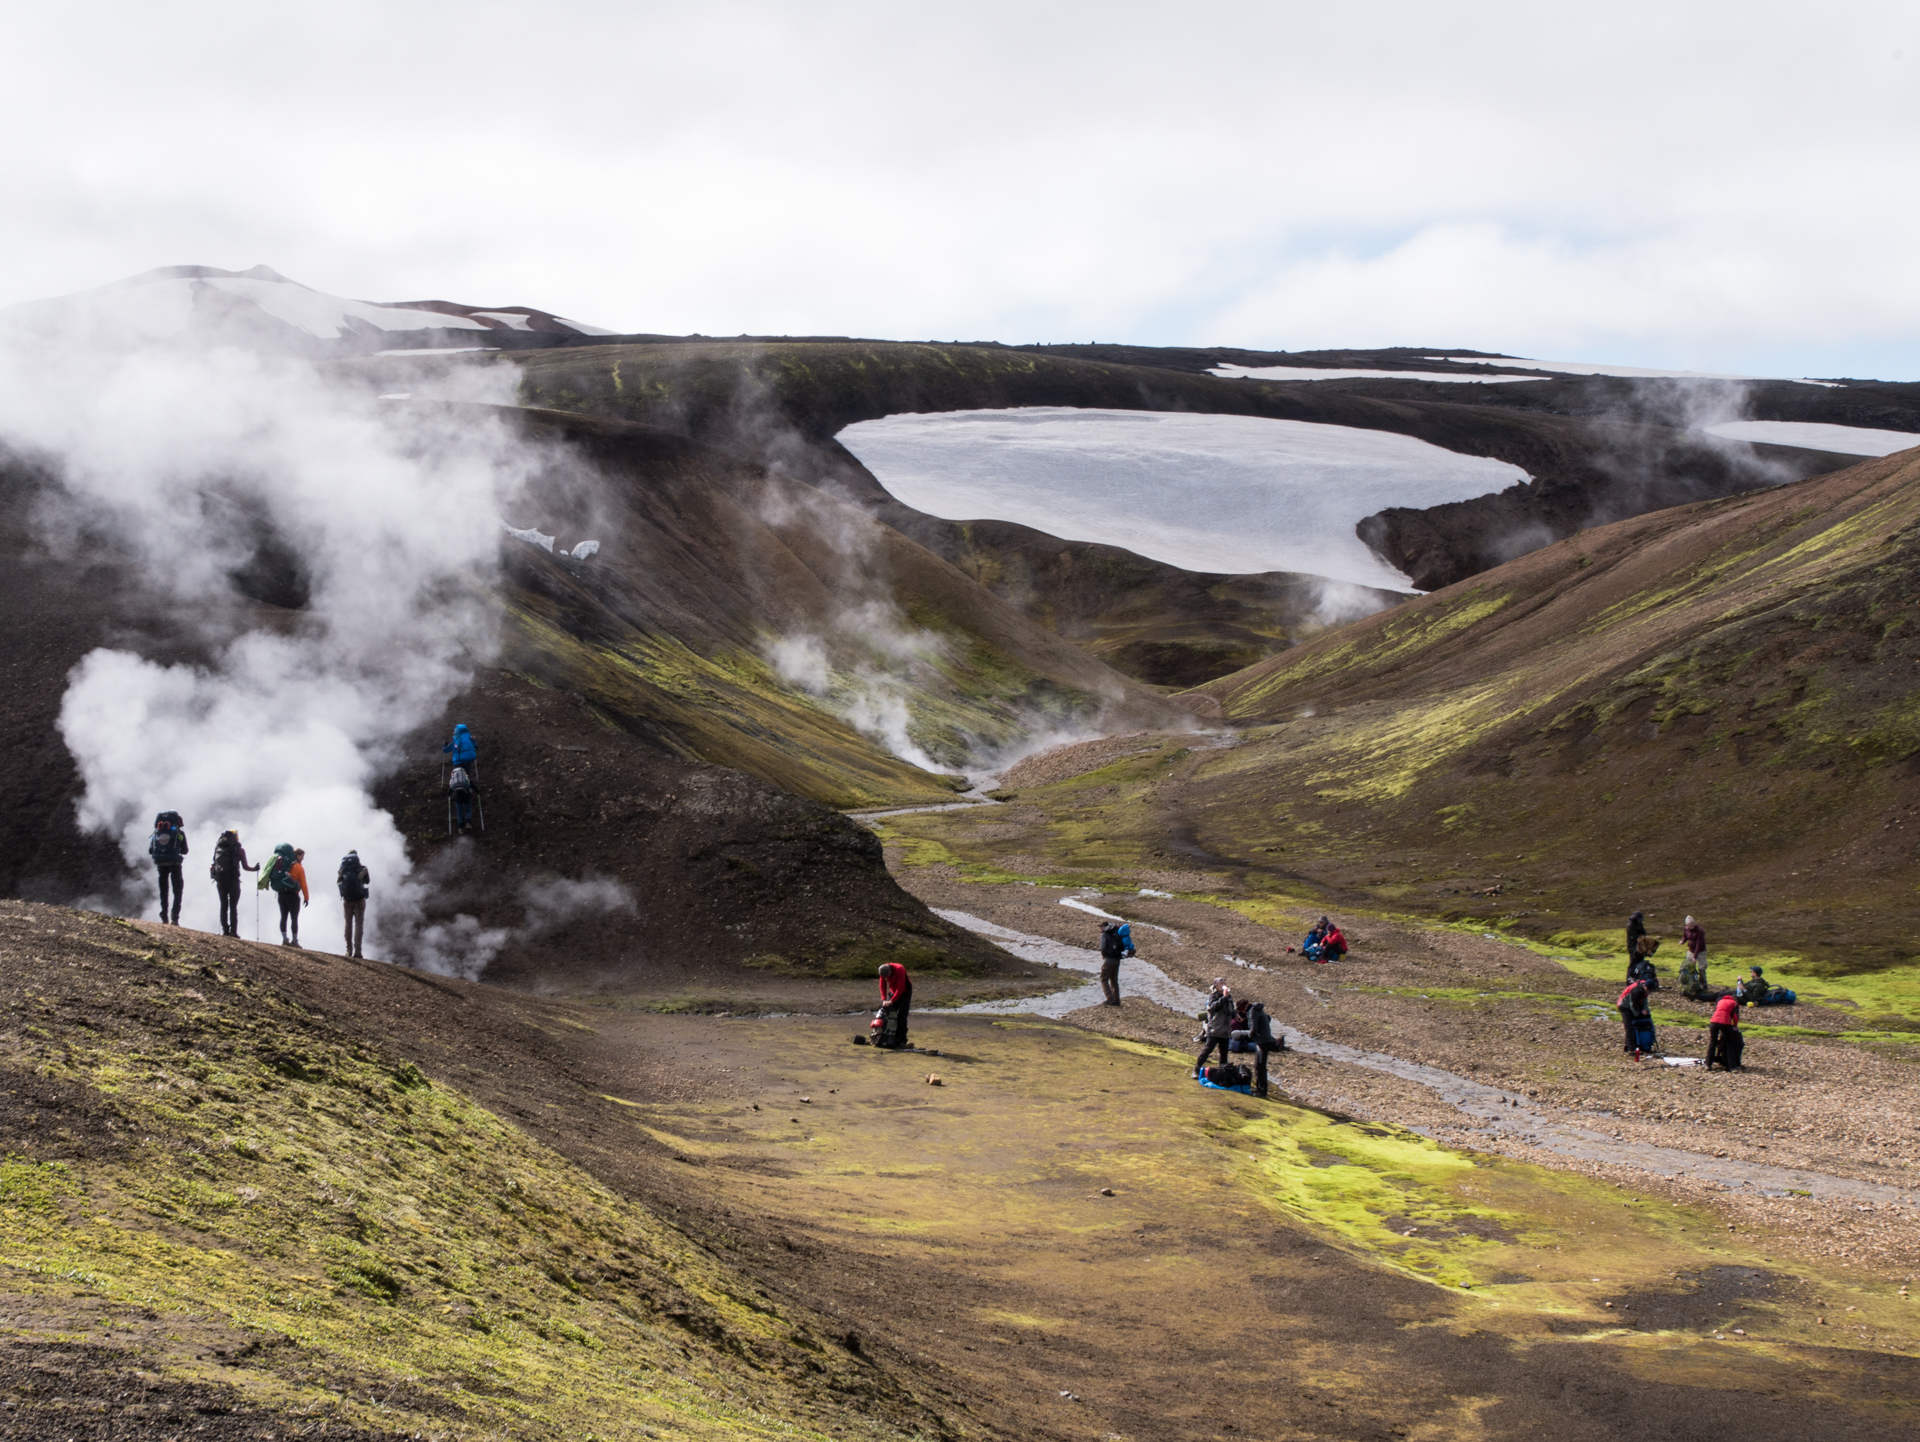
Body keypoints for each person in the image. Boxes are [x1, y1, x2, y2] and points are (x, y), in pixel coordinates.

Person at [208, 828, 259, 937]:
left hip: (220, 880)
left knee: (223, 905)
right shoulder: (240, 850)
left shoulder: (218, 847)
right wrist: (255, 868)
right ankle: (233, 932)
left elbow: (214, 862)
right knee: (233, 907)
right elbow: (245, 867)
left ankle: (225, 930)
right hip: (233, 880)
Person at [264, 843, 308, 947]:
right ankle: (294, 941)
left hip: (281, 894)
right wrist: (306, 897)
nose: (302, 859)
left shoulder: (287, 865)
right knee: (294, 918)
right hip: (293, 895)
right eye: (302, 856)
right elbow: (303, 883)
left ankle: (284, 940)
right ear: (297, 855)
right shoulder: (298, 868)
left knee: (283, 917)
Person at [148, 811, 188, 925]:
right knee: (177, 891)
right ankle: (174, 918)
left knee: (164, 891)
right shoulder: (179, 834)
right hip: (175, 864)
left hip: (161, 864)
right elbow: (185, 850)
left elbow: (151, 850)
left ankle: (164, 916)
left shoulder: (156, 833)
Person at [1193, 980, 1233, 1077]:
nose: (1223, 985)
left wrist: (1235, 1015)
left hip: (1225, 1030)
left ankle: (1222, 1073)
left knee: (1224, 1053)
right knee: (1207, 1050)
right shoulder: (1213, 997)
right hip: (1214, 1029)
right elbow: (1213, 1008)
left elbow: (1231, 1010)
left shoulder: (1229, 997)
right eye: (1221, 983)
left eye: (1224, 983)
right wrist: (1224, 998)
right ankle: (1196, 1069)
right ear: (1216, 986)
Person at [337, 850, 370, 959]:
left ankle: (348, 950)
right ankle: (358, 951)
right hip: (359, 899)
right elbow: (367, 881)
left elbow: (339, 882)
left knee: (348, 923)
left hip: (347, 900)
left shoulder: (343, 869)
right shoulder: (362, 868)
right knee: (359, 924)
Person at [872, 961, 912, 1049]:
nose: (887, 978)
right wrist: (884, 1000)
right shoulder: (883, 971)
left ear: (890, 971)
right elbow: (882, 985)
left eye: (888, 976)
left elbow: (900, 987)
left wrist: (892, 1001)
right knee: (888, 1014)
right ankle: (887, 1037)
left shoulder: (899, 969)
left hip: (905, 993)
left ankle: (901, 1040)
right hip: (893, 992)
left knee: (902, 1016)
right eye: (885, 977)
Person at [1617, 978, 1655, 1057]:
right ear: (1644, 986)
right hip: (1624, 1006)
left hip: (1635, 1003)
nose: (1648, 992)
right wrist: (1637, 1014)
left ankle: (1630, 1045)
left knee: (1634, 1024)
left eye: (1649, 991)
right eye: (1647, 990)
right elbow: (1633, 1005)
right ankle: (1631, 1049)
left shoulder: (1645, 988)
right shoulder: (1636, 991)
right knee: (1629, 1027)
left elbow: (1644, 1000)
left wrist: (1645, 1009)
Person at [1706, 993, 1744, 1071]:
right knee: (1729, 1044)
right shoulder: (1734, 1003)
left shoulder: (1720, 1001)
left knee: (1712, 1042)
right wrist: (1735, 1025)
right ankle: (1732, 1066)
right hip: (1725, 1023)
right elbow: (1735, 1017)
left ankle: (1708, 1064)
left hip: (1714, 1022)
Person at [1098, 921, 1126, 1006]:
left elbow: (1102, 947)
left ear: (1104, 926)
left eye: (1101, 926)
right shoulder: (1115, 932)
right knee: (1114, 980)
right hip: (1117, 959)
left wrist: (1103, 955)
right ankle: (1116, 1000)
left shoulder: (1105, 934)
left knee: (1103, 978)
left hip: (1109, 960)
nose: (1100, 928)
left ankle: (1110, 999)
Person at [449, 764, 477, 833]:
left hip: (457, 797)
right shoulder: (465, 777)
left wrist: (448, 795)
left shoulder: (453, 779)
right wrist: (477, 791)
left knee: (459, 811)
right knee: (468, 809)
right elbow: (471, 784)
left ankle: (460, 827)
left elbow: (450, 789)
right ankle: (468, 823)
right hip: (466, 795)